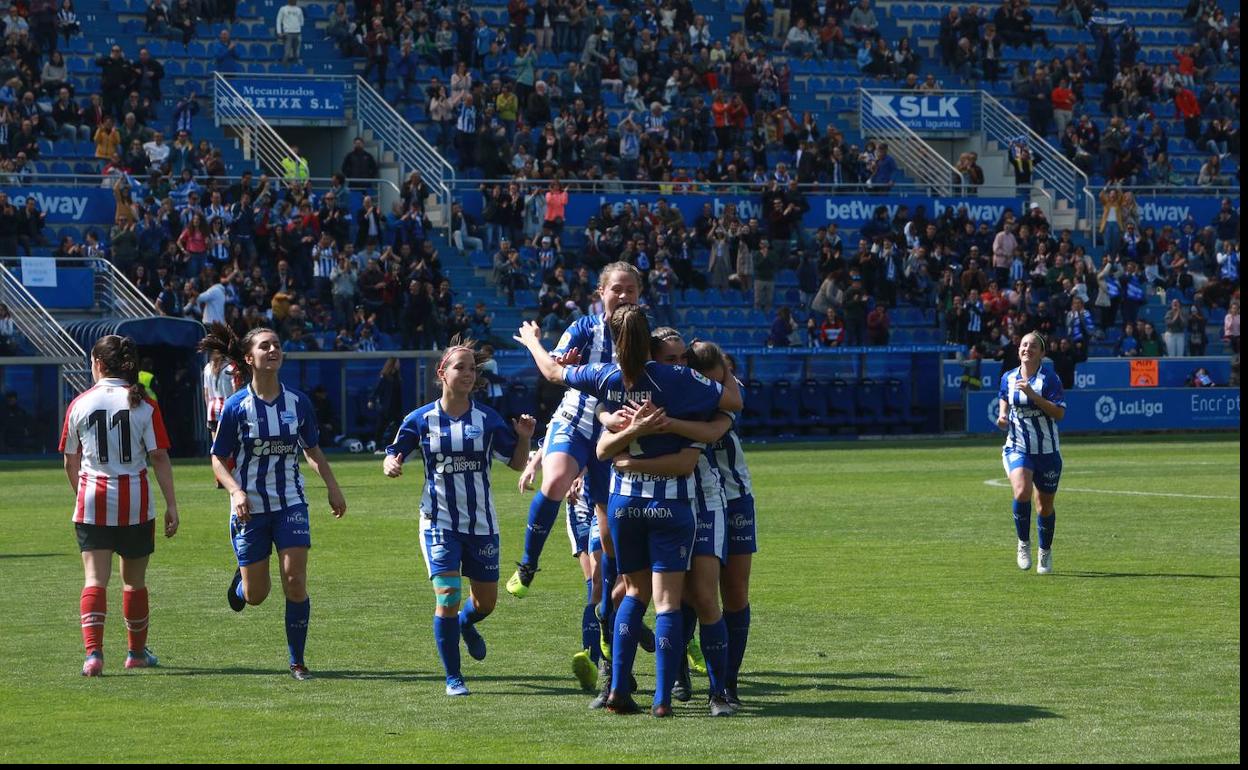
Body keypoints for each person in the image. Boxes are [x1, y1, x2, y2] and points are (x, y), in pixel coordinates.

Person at [514, 305, 742, 717]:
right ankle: (662, 699)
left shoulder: (604, 377)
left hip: (623, 502)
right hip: (670, 502)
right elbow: (731, 400)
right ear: (650, 339)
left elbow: (553, 374)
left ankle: (619, 688)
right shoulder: (676, 377)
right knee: (669, 602)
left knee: (633, 593)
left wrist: (532, 340)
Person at [383, 341, 535, 696]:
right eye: (460, 368)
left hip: (481, 524)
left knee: (486, 603)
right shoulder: (420, 420)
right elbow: (394, 453)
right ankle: (454, 677)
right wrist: (392, 463)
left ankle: (467, 624)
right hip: (438, 522)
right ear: (442, 374)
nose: (468, 374)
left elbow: (515, 462)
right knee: (448, 596)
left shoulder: (487, 419)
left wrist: (524, 439)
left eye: (472, 369)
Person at [202, 323, 347, 680]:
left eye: (277, 345)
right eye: (265, 346)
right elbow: (218, 458)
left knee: (295, 580)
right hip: (250, 507)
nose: (273, 350)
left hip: (290, 504)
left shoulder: (298, 402)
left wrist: (332, 485)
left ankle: (297, 661)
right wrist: (236, 491)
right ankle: (242, 580)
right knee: (255, 595)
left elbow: (311, 449)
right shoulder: (237, 407)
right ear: (249, 358)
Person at [504, 263, 641, 608]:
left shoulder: (643, 336)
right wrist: (536, 344)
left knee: (609, 536)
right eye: (617, 289)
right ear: (601, 292)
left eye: (631, 290)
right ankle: (527, 564)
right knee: (555, 483)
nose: (624, 296)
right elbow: (553, 370)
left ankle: (609, 620)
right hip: (576, 423)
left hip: (616, 436)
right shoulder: (584, 328)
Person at [59, 335, 179, 676]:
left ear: (97, 364)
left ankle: (94, 655)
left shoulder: (80, 403)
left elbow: (71, 460)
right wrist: (172, 505)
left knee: (95, 579)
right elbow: (159, 457)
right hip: (136, 501)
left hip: (93, 499)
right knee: (134, 582)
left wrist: (80, 493)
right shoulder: (143, 403)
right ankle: (135, 653)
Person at [996, 332, 1066, 575]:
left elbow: (1058, 414)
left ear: (1042, 353)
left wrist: (1034, 397)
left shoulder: (1049, 379)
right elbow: (1004, 396)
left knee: (1044, 507)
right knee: (1022, 490)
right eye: (1024, 345)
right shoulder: (1008, 377)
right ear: (1019, 351)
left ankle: (1044, 551)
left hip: (1046, 451)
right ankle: (1023, 543)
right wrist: (1003, 415)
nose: (1027, 349)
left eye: (1033, 346)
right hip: (1017, 446)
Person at [276, 0, 305, 64]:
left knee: (296, 53)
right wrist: (279, 32)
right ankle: (283, 67)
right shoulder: (283, 9)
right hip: (288, 33)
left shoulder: (299, 10)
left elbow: (301, 22)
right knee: (287, 53)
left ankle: (295, 69)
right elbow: (278, 21)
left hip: (297, 33)